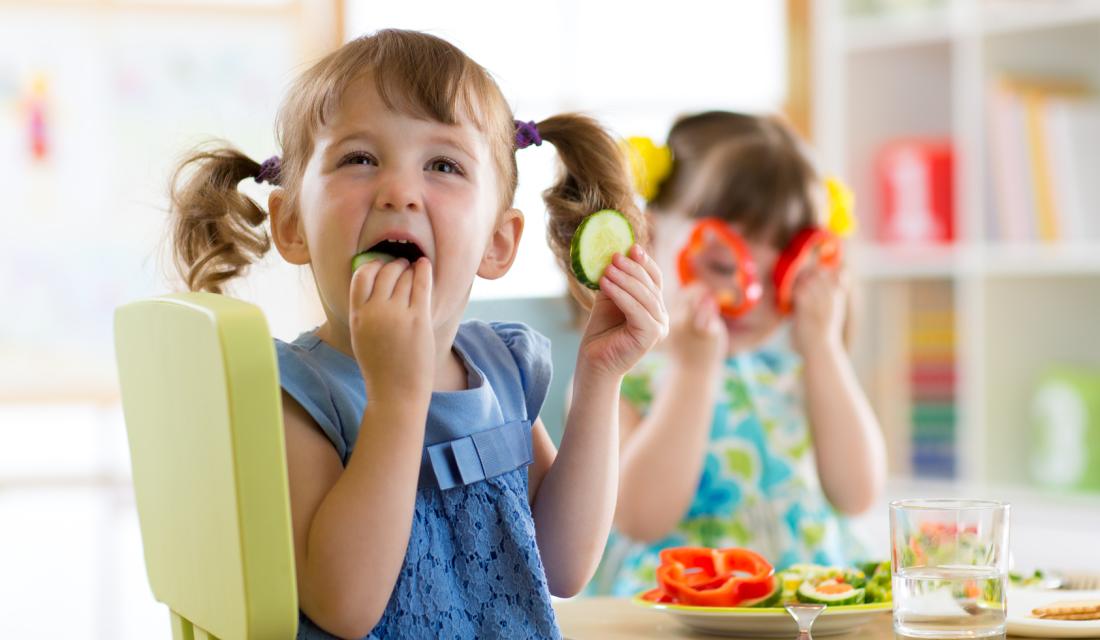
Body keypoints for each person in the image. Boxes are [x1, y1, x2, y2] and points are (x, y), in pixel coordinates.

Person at [167, 29, 667, 639]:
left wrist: (599, 378)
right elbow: (344, 607)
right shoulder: (294, 393)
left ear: (498, 242)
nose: (399, 192)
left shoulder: (500, 368)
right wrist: (398, 399)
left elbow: (562, 566)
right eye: (359, 159)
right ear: (292, 223)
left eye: (443, 165)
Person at [593, 111, 885, 596]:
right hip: (685, 608)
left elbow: (857, 494)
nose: (749, 296)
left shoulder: (799, 372)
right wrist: (693, 372)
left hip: (804, 605)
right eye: (722, 264)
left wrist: (825, 349)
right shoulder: (623, 373)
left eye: (780, 277)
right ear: (650, 233)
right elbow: (639, 517)